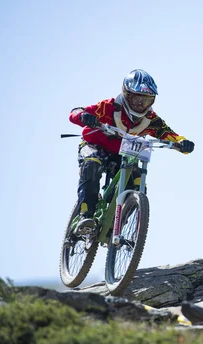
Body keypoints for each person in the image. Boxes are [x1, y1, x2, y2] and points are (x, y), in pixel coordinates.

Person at [69, 69, 194, 234]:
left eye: (146, 100)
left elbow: (169, 134)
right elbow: (75, 112)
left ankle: (119, 222)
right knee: (91, 165)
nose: (141, 105)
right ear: (126, 94)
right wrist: (84, 117)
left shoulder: (151, 120)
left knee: (136, 179)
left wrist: (182, 143)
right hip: (95, 145)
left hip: (123, 152)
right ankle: (86, 214)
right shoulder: (108, 107)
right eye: (137, 99)